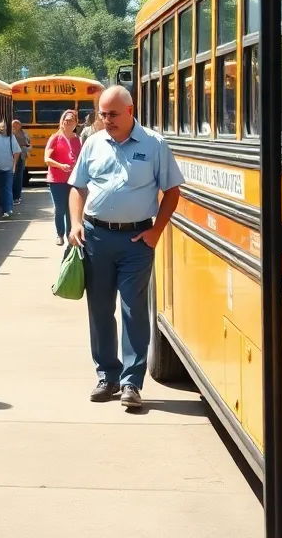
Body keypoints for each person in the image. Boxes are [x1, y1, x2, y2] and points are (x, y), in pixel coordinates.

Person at [68, 86, 183, 410]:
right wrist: (76, 223)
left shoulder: (154, 143)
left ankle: (132, 383)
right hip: (96, 238)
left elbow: (172, 192)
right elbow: (77, 188)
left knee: (134, 310)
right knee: (101, 309)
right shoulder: (93, 143)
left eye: (113, 114)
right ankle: (108, 376)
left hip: (137, 241)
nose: (106, 120)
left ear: (130, 111)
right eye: (103, 114)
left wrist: (156, 232)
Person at [45, 109, 83, 246]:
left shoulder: (78, 140)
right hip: (57, 180)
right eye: (66, 121)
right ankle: (59, 234)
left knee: (70, 208)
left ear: (75, 123)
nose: (68, 123)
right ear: (62, 122)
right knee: (60, 208)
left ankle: (70, 235)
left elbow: (82, 159)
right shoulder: (55, 138)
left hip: (73, 179)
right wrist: (61, 165)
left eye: (71, 121)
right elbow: (47, 159)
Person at [0, 122, 21, 219]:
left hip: (3, 167)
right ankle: (7, 209)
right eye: (2, 127)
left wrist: (14, 163)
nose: (3, 129)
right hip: (2, 167)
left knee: (5, 189)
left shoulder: (2, 139)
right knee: (5, 189)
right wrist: (14, 163)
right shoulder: (5, 139)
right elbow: (17, 152)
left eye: (4, 127)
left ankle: (7, 209)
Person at [11, 119, 31, 205]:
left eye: (17, 125)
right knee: (12, 176)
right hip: (11, 157)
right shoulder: (9, 134)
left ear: (20, 126)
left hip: (21, 156)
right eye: (13, 125)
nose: (15, 126)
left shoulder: (24, 133)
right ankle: (11, 196)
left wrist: (25, 149)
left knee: (19, 177)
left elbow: (29, 145)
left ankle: (17, 197)